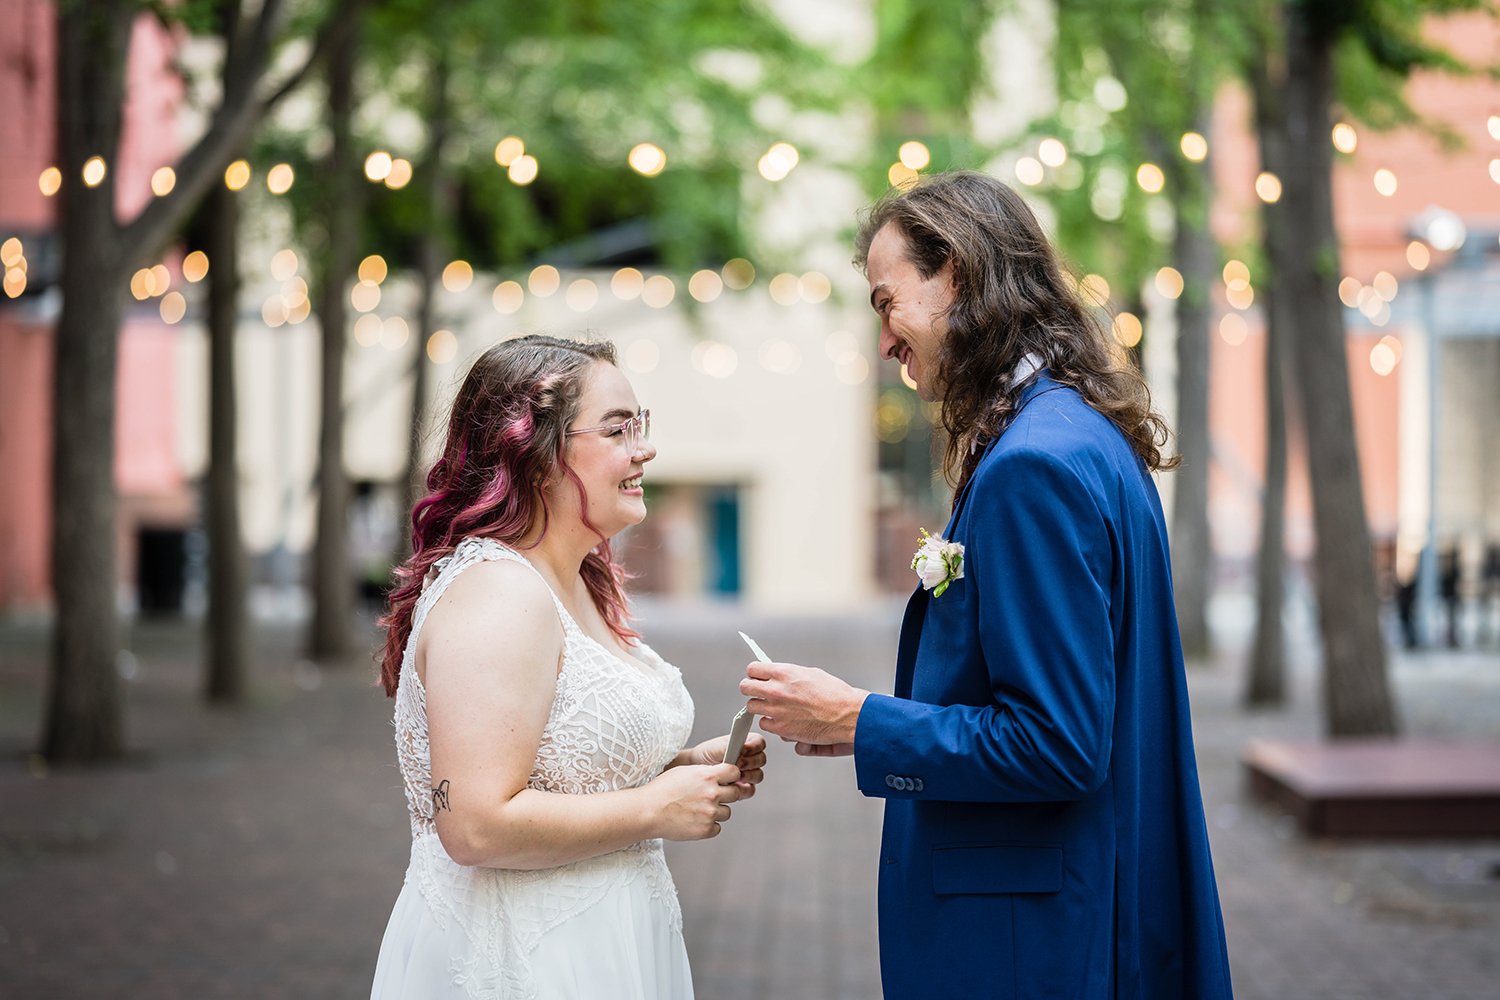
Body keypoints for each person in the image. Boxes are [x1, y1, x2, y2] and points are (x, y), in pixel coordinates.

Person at [740, 172, 1234, 998]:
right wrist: (869, 721)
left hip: (1033, 943)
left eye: (887, 302)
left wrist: (864, 719)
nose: (886, 339)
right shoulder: (1081, 433)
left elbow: (1057, 743)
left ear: (959, 277)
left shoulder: (1033, 465)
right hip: (1087, 903)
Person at [371, 335, 766, 999]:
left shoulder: (575, 581)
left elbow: (557, 771)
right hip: (523, 960)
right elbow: (471, 824)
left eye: (641, 425)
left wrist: (677, 771)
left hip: (604, 942)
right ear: (536, 454)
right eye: (618, 428)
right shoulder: (498, 594)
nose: (644, 448)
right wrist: (652, 809)